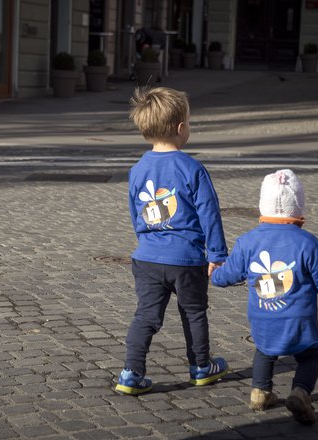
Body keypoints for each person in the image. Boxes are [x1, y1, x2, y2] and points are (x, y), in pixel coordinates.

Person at [211, 170, 318, 425]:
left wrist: (215, 275)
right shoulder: (309, 243)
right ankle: (300, 392)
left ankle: (259, 392)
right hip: (299, 317)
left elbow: (228, 274)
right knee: (310, 355)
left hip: (262, 314)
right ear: (298, 207)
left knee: (265, 351)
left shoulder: (248, 241)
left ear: (262, 207)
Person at [115, 87, 230, 395]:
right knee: (193, 312)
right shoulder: (192, 168)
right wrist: (217, 254)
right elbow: (210, 213)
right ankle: (201, 366)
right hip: (187, 259)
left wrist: (146, 241)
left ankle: (131, 372)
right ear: (181, 128)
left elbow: (135, 211)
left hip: (148, 258)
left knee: (146, 316)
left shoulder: (138, 168)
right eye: (189, 122)